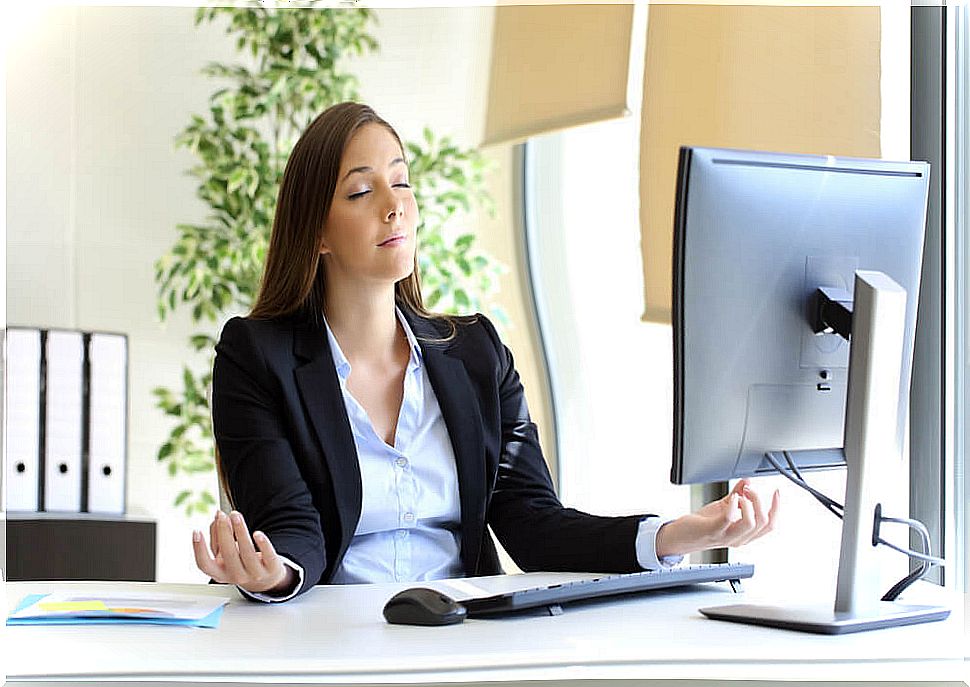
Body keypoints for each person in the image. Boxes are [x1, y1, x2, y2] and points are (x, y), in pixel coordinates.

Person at [191, 101, 780, 602]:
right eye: (362, 191)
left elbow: (533, 524)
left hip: (462, 640)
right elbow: (292, 526)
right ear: (315, 232)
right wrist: (273, 572)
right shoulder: (257, 356)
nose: (393, 205)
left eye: (401, 181)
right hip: (332, 648)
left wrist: (673, 535)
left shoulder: (475, 353)